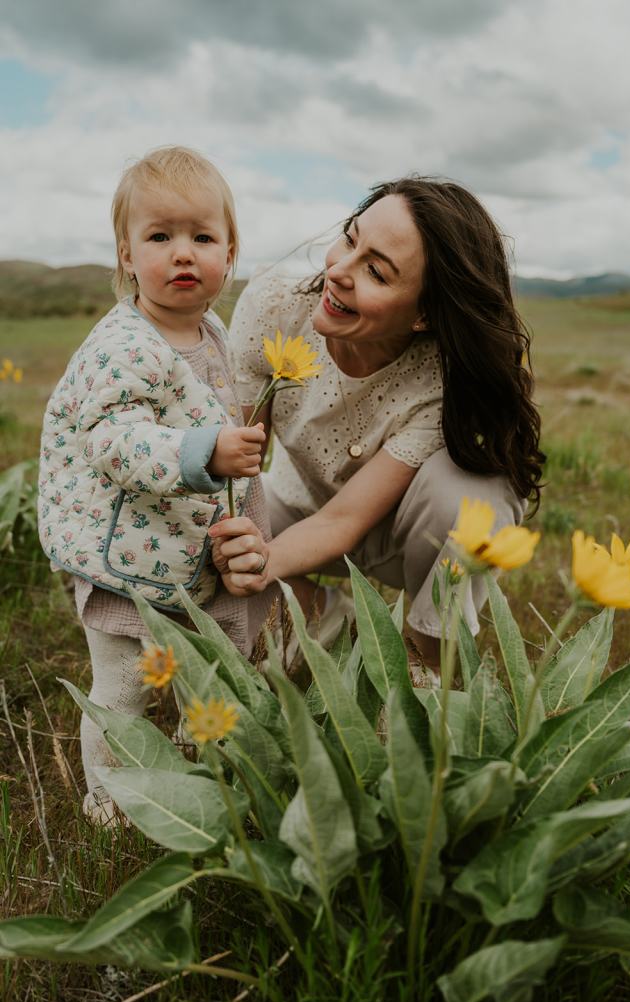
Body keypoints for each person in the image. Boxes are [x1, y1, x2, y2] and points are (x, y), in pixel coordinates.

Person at [209, 176, 544, 681]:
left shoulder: (439, 380)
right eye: (350, 236)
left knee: (476, 499)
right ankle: (335, 619)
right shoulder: (276, 307)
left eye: (377, 273)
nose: (339, 271)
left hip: (394, 532)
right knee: (215, 551)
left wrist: (261, 564)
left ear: (423, 315)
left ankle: (426, 665)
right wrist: (248, 557)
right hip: (292, 510)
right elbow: (238, 466)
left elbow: (344, 522)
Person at [38, 146, 270, 824]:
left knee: (204, 662)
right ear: (126, 255)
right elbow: (114, 439)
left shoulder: (211, 331)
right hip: (120, 558)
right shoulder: (123, 345)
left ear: (229, 253)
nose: (183, 254)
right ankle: (110, 801)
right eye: (160, 236)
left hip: (170, 542)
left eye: (202, 237)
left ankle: (191, 764)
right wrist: (203, 452)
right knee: (122, 685)